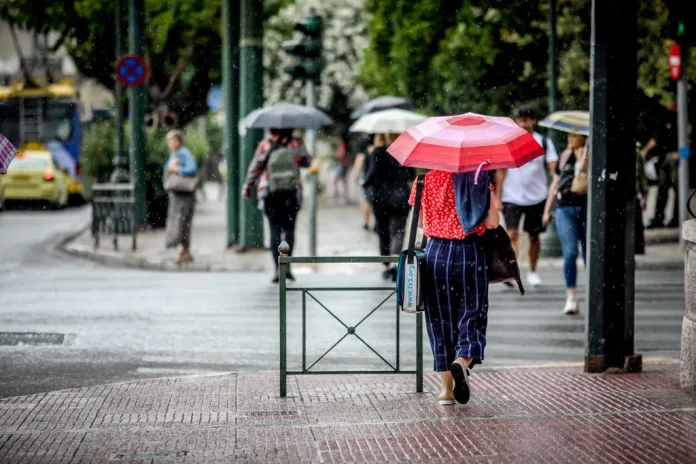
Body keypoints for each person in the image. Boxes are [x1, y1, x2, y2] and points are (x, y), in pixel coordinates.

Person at [410, 169, 500, 406]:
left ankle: (445, 391)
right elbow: (493, 222)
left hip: (435, 253)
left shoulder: (423, 180)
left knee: (439, 320)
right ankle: (462, 359)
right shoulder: (478, 178)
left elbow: (420, 223)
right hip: (470, 251)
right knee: (473, 311)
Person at [495, 106, 558, 287]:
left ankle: (532, 271)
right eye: (520, 120)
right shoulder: (509, 142)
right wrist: (498, 197)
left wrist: (555, 183)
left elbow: (553, 169)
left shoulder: (543, 142)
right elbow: (501, 171)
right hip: (511, 196)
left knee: (534, 236)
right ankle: (512, 270)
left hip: (537, 197)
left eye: (527, 120)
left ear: (533, 121)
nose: (523, 124)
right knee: (512, 234)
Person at [241, 128, 312, 283]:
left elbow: (255, 167)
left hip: (270, 191)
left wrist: (247, 186)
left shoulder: (266, 145)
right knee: (289, 230)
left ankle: (277, 268)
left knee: (275, 230)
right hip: (291, 191)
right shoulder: (296, 143)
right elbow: (307, 162)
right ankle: (287, 267)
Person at [542, 133, 588, 315]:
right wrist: (547, 209)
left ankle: (593, 293)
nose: (572, 139)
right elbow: (556, 183)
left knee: (590, 254)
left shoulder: (589, 154)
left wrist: (582, 158)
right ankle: (571, 296)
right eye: (570, 136)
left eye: (576, 136)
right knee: (570, 252)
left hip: (587, 207)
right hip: (565, 208)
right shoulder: (563, 156)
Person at [362, 133, 414, 281]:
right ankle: (395, 262)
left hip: (381, 198)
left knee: (383, 231)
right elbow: (410, 174)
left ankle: (386, 265)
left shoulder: (377, 153)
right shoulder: (404, 151)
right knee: (398, 231)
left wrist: (364, 182)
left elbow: (371, 176)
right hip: (401, 197)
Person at [164, 130, 198, 265]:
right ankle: (184, 252)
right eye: (169, 141)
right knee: (180, 222)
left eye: (173, 140)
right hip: (177, 194)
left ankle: (185, 252)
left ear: (179, 141)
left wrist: (177, 169)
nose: (171, 144)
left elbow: (192, 169)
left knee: (182, 223)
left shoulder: (184, 153)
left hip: (184, 195)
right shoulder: (175, 154)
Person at [642, 102, 679, 229]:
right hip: (663, 157)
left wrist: (681, 154)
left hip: (676, 157)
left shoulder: (682, 118)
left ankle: (676, 219)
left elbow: (688, 140)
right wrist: (646, 150)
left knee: (677, 188)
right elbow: (657, 138)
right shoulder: (665, 118)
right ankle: (658, 218)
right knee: (662, 189)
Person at [351, 134, 375, 231]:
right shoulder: (377, 147)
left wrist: (355, 176)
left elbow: (359, 162)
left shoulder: (364, 148)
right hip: (377, 179)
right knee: (374, 201)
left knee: (367, 201)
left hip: (367, 179)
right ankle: (375, 222)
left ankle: (366, 222)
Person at [333, 136, 352, 205]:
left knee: (337, 181)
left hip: (342, 165)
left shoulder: (343, 146)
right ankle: (344, 198)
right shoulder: (344, 145)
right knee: (343, 181)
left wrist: (335, 153)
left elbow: (341, 155)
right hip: (344, 165)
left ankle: (340, 198)